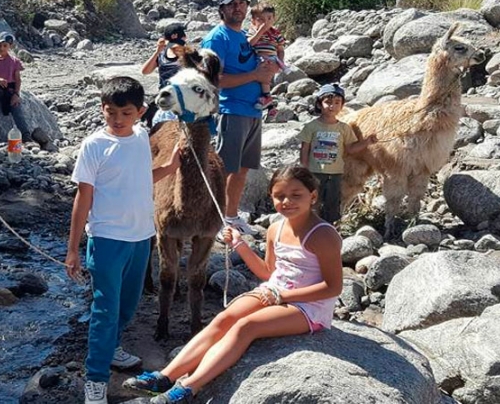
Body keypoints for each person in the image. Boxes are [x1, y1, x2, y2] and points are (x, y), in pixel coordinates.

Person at [123, 165, 343, 404]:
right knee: (223, 319)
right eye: (279, 196)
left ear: (313, 196)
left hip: (308, 306)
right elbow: (267, 272)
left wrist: (282, 297)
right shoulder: (275, 229)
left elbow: (333, 287)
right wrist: (240, 244)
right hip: (274, 291)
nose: (287, 201)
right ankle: (165, 376)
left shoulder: (323, 235)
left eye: (296, 195)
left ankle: (187, 388)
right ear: (271, 197)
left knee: (245, 326)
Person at [65, 77, 182, 404]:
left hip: (141, 239)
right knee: (104, 310)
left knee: (128, 306)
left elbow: (142, 176)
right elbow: (82, 198)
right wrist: (73, 249)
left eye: (125, 113)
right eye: (110, 112)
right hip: (105, 241)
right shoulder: (94, 145)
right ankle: (96, 380)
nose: (117, 120)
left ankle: (111, 347)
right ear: (103, 110)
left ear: (141, 112)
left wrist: (171, 166)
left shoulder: (142, 137)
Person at [201, 0, 279, 235]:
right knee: (225, 169)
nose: (238, 8)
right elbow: (214, 79)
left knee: (242, 169)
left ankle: (231, 216)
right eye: (232, 4)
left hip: (253, 110)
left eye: (242, 3)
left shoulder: (245, 35)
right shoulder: (217, 38)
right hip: (231, 109)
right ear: (221, 9)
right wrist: (254, 75)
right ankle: (214, 220)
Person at [298, 84, 377, 224]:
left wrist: (367, 142)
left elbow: (351, 149)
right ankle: (311, 227)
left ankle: (331, 229)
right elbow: (305, 149)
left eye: (337, 103)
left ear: (342, 105)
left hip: (335, 173)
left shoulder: (344, 128)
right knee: (314, 200)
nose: (332, 106)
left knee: (333, 202)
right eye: (327, 102)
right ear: (319, 104)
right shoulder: (311, 127)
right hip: (316, 171)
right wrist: (304, 169)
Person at [141, 22, 188, 125]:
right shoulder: (161, 55)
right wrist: (157, 52)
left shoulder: (187, 55)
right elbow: (145, 71)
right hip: (165, 98)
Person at [247, 2, 287, 115]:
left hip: (270, 59)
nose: (266, 23)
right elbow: (251, 43)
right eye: (261, 19)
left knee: (264, 78)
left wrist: (281, 62)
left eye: (269, 18)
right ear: (254, 21)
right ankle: (270, 107)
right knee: (260, 79)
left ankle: (267, 98)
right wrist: (260, 30)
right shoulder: (253, 31)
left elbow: (280, 49)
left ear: (274, 19)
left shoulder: (276, 33)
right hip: (259, 57)